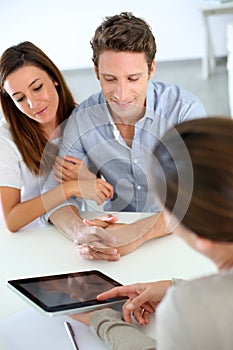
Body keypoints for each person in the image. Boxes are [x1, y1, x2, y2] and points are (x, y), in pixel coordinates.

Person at [43, 12, 206, 260]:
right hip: (114, 238)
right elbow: (55, 195)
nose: (121, 93)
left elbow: (200, 197)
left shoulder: (183, 110)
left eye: (133, 78)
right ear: (97, 71)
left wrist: (136, 233)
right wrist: (81, 232)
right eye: (110, 79)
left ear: (151, 69)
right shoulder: (83, 118)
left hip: (177, 238)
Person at [71, 116, 233, 350]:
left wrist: (102, 321)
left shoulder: (189, 310)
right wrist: (174, 286)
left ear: (202, 238)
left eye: (166, 212)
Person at [0, 41, 114, 232]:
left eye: (37, 88)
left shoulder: (81, 121)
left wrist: (85, 178)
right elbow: (12, 220)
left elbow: (102, 190)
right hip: (26, 239)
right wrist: (70, 188)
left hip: (71, 229)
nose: (32, 103)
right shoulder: (6, 140)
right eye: (19, 98)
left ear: (54, 79)